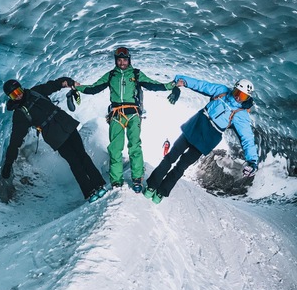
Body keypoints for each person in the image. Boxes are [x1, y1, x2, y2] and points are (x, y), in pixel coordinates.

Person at [74, 47, 179, 193]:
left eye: (124, 60)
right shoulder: (111, 75)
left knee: (135, 146)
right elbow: (94, 88)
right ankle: (116, 181)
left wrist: (170, 86)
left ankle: (137, 179)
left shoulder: (136, 74)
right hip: (116, 115)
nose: (122, 62)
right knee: (115, 149)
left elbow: (153, 84)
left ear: (129, 60)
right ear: (116, 60)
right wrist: (77, 88)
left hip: (133, 114)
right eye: (119, 60)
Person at [144, 76, 259, 204]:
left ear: (247, 97)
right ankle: (151, 185)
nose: (238, 97)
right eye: (237, 92)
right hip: (194, 127)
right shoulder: (222, 91)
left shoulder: (241, 114)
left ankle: (161, 192)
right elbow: (203, 85)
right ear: (234, 89)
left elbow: (247, 138)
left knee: (181, 167)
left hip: (207, 139)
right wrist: (184, 81)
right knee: (170, 157)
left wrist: (252, 161)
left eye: (242, 96)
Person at [1, 77, 107, 203]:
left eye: (18, 91)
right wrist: (8, 163)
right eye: (14, 95)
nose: (18, 96)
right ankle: (89, 192)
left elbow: (55, 84)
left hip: (66, 125)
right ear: (10, 97)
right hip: (54, 136)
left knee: (82, 155)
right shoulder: (20, 114)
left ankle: (99, 184)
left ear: (21, 88)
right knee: (74, 162)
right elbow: (15, 141)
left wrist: (69, 82)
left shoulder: (36, 91)